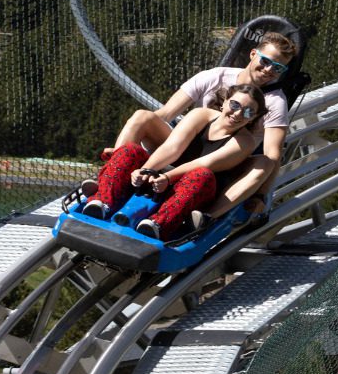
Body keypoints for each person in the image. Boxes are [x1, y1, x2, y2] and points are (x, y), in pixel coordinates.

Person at [102, 31, 297, 221]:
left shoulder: (275, 102)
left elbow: (273, 154)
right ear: (253, 54)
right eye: (266, 61)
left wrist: (260, 196)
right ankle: (111, 176)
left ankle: (208, 218)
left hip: (223, 162)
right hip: (188, 146)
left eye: (278, 68)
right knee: (142, 116)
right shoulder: (215, 77)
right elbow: (165, 114)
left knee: (264, 163)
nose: (269, 70)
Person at [83, 85, 266, 240]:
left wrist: (166, 177)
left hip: (195, 187)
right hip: (163, 177)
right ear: (225, 101)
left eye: (248, 112)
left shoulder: (244, 142)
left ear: (253, 118)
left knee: (201, 174)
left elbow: (204, 163)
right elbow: (173, 147)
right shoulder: (201, 115)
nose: (238, 113)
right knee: (130, 150)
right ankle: (102, 200)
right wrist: (146, 170)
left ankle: (157, 224)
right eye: (235, 105)